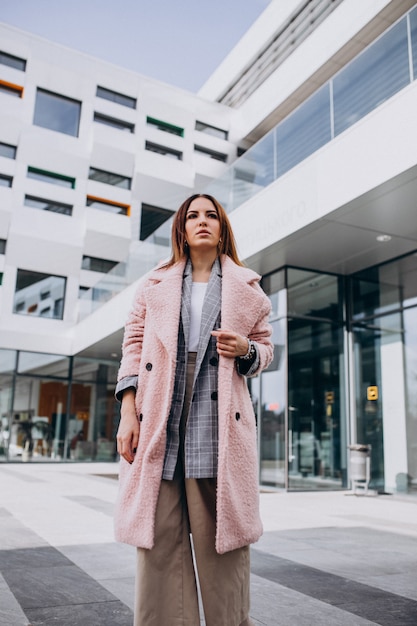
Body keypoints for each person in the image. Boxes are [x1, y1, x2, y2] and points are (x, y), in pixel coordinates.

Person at [115, 193, 274, 626]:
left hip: (217, 422)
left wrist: (246, 349)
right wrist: (128, 412)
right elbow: (132, 346)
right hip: (159, 416)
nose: (201, 221)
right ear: (181, 230)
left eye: (211, 215)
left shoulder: (248, 288)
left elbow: (265, 349)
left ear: (222, 227)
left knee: (221, 544)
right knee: (158, 543)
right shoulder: (154, 284)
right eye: (192, 216)